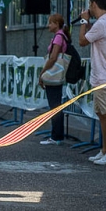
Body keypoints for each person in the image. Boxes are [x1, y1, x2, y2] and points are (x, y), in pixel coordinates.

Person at [79, 0, 106, 165]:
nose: (89, 7)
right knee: (101, 113)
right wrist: (89, 24)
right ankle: (104, 150)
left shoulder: (101, 24)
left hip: (103, 76)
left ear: (94, 4)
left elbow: (82, 41)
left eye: (90, 4)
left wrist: (83, 21)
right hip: (104, 75)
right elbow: (94, 37)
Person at [38, 13, 70, 145]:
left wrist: (42, 73)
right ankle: (56, 134)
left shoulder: (58, 37)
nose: (48, 25)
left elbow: (53, 57)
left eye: (50, 23)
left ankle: (56, 136)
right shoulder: (61, 35)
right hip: (56, 74)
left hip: (54, 74)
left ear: (57, 24)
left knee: (54, 106)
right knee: (55, 105)